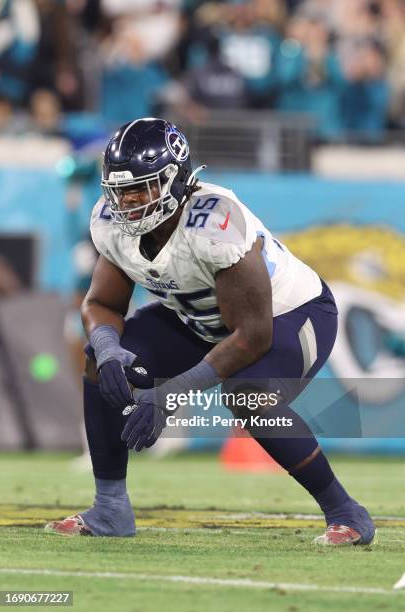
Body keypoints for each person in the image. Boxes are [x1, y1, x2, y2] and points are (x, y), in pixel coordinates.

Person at [45, 117, 374, 545]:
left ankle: (345, 511)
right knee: (100, 358)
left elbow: (253, 336)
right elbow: (103, 304)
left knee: (247, 393)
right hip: (199, 320)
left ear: (177, 179)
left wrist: (171, 394)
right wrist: (107, 349)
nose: (128, 202)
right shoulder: (113, 223)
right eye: (121, 191)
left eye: (142, 188)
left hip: (290, 315)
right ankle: (110, 508)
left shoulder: (215, 222)